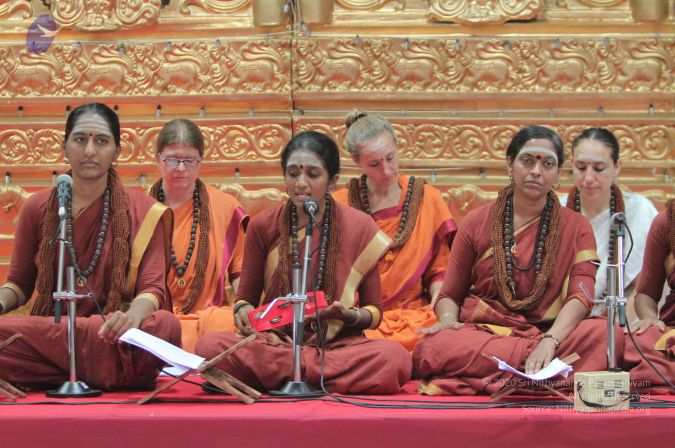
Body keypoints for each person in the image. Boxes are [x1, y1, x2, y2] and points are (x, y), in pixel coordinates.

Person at [195, 131, 411, 394]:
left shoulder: (360, 226)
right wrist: (243, 312)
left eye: (313, 174)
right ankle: (315, 375)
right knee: (209, 346)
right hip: (277, 343)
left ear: (333, 180)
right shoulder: (263, 225)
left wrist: (347, 315)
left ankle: (290, 373)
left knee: (394, 359)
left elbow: (373, 312)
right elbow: (245, 299)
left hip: (336, 347)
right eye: (293, 173)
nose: (300, 183)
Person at [412, 125, 620, 396]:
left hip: (551, 333)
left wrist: (549, 341)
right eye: (527, 161)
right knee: (434, 346)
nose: (536, 171)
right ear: (510, 164)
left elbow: (581, 297)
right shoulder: (477, 221)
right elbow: (450, 294)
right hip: (485, 333)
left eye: (547, 164)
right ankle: (540, 374)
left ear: (558, 173)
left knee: (606, 333)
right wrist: (448, 318)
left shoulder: (576, 226)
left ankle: (505, 373)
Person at [0, 103, 180, 391]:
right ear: (65, 147)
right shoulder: (38, 207)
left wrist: (130, 318)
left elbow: (152, 289)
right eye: (80, 139)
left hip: (112, 333)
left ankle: (55, 371)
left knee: (165, 326)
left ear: (117, 151)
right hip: (54, 330)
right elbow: (19, 284)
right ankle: (101, 372)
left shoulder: (145, 210)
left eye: (101, 141)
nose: (89, 151)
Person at [333, 110, 456, 351]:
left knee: (446, 341)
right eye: (374, 164)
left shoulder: (426, 199)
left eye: (390, 158)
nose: (387, 170)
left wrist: (440, 305)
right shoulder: (341, 205)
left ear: (398, 146)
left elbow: (439, 270)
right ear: (356, 161)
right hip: (361, 320)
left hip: (416, 317)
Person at [150, 119, 247, 353]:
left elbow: (241, 274)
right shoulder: (141, 210)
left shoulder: (225, 207)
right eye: (172, 159)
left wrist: (244, 308)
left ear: (201, 160)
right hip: (157, 319)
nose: (180, 168)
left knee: (229, 325)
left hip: (211, 322)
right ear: (158, 159)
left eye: (189, 160)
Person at [562, 127, 658, 319]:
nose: (588, 178)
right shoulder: (557, 210)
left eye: (599, 168)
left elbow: (645, 286)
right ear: (571, 164)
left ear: (617, 166)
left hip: (623, 319)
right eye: (580, 167)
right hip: (560, 319)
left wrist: (613, 327)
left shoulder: (639, 211)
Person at [622, 199, 675, 393]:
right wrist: (649, 318)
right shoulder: (668, 221)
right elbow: (646, 294)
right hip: (672, 334)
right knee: (631, 343)